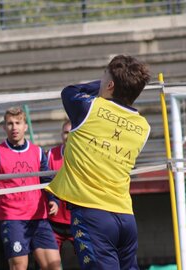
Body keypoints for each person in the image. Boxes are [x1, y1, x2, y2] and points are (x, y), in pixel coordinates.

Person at [45, 55, 151, 269]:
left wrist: (104, 87)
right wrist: (122, 87)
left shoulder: (88, 108)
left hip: (92, 214)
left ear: (110, 84)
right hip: (125, 217)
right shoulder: (143, 126)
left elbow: (69, 91)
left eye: (103, 76)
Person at [0, 107, 61, 270]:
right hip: (13, 218)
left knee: (54, 265)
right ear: (4, 127)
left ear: (25, 126)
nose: (14, 127)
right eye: (10, 124)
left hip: (38, 217)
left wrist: (53, 200)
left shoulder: (38, 152)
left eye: (18, 123)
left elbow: (47, 180)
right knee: (19, 266)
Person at [46, 121, 75, 255]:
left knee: (91, 263)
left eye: (72, 132)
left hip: (78, 221)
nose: (68, 136)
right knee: (49, 264)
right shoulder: (50, 155)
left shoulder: (86, 156)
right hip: (54, 221)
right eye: (65, 132)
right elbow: (44, 182)